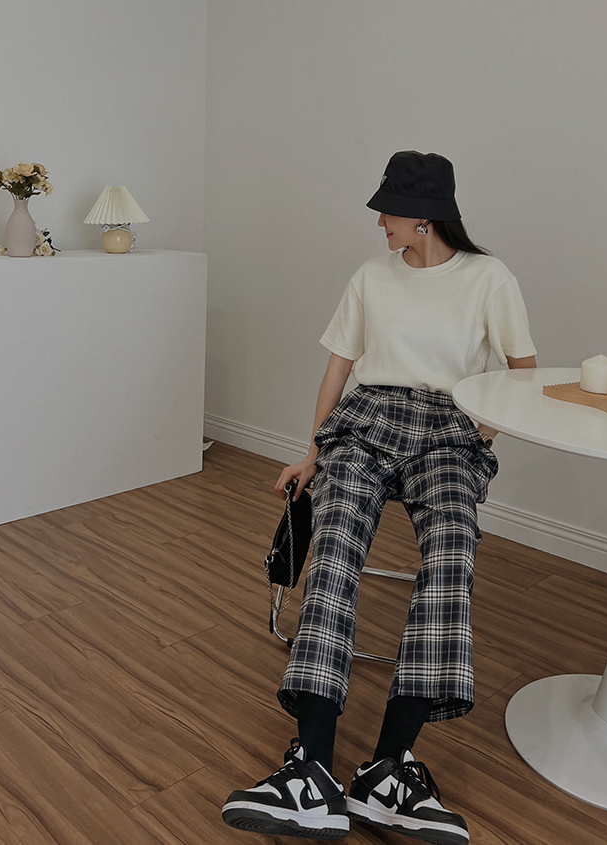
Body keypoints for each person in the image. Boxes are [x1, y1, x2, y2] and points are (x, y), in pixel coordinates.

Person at [222, 151, 537, 843]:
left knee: (451, 553)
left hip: (448, 429)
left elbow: (523, 371)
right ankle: (310, 766)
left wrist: (477, 434)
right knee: (334, 545)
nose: (379, 222)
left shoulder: (489, 278)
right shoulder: (370, 276)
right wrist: (312, 453)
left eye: (388, 211)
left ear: (422, 218)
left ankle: (391, 766)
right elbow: (338, 368)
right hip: (365, 422)